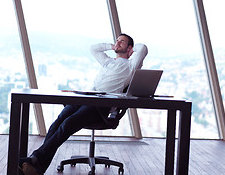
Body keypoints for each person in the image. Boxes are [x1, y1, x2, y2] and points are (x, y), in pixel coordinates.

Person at [19, 33, 148, 175]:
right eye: (116, 40)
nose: (117, 43)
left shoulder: (131, 65)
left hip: (101, 106)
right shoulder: (108, 62)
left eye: (121, 42)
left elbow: (143, 49)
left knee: (68, 123)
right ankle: (36, 164)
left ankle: (35, 160)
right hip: (87, 97)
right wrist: (113, 46)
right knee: (57, 123)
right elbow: (93, 48)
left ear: (129, 48)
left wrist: (131, 50)